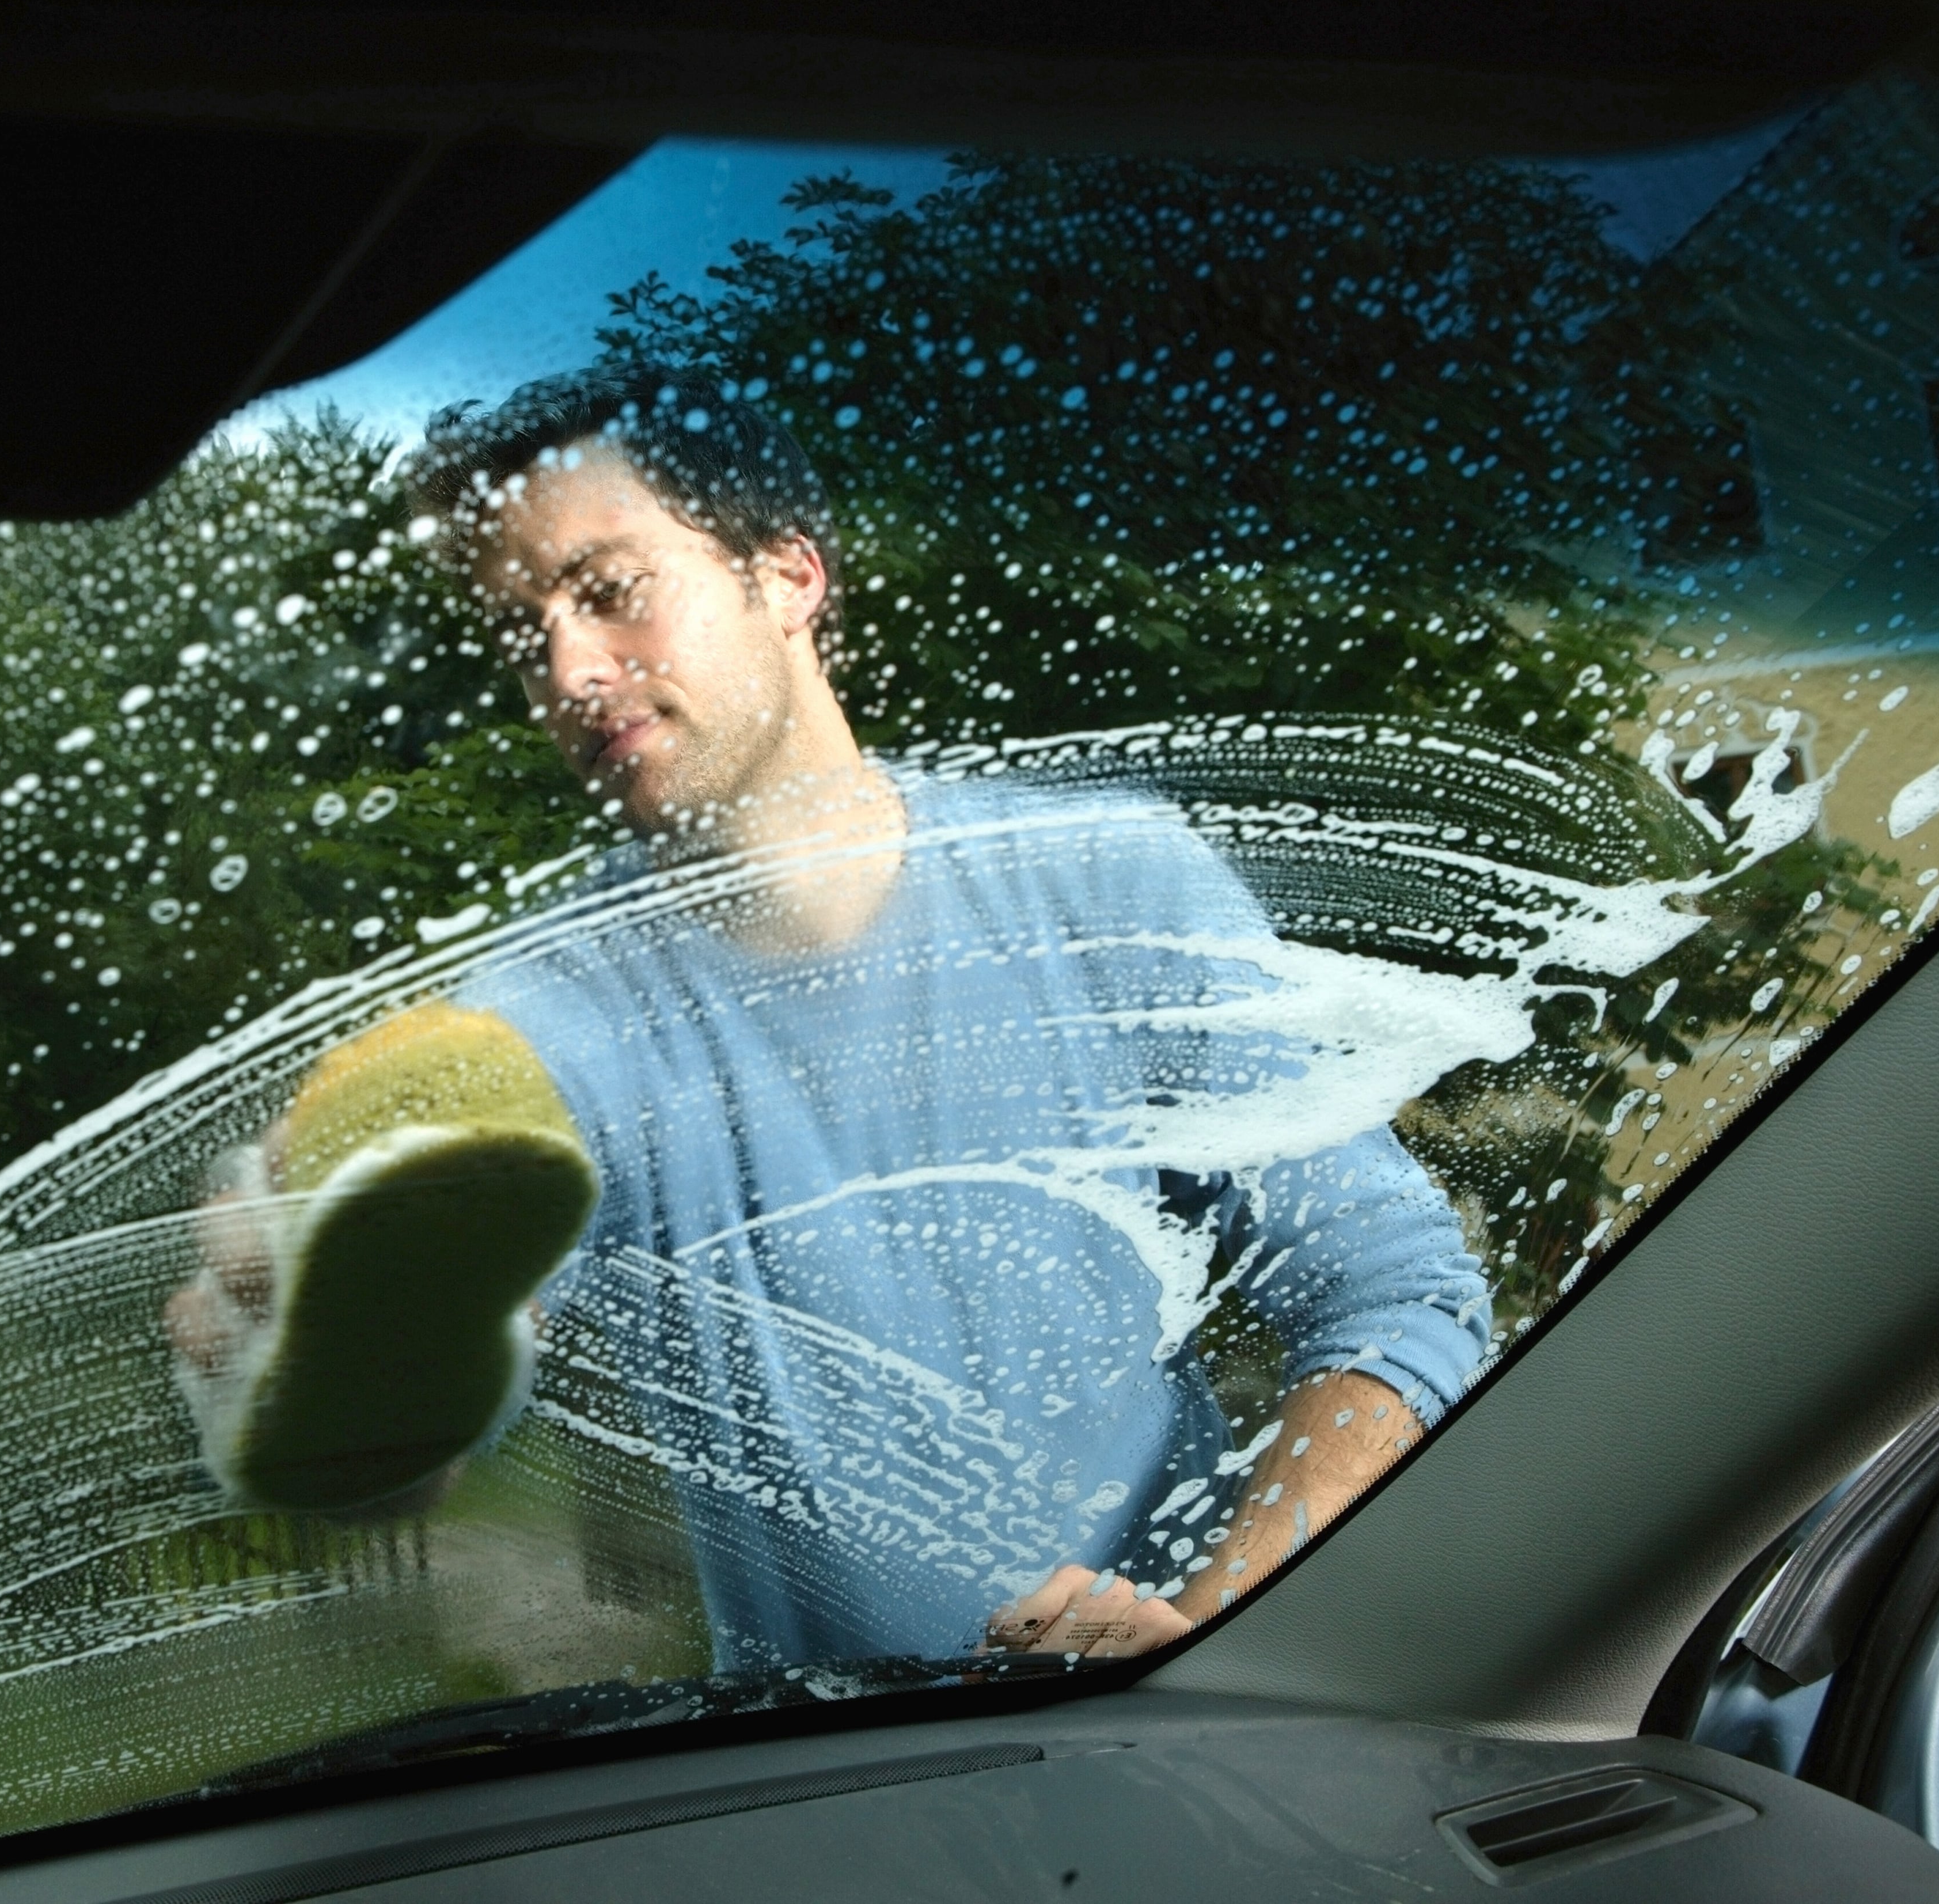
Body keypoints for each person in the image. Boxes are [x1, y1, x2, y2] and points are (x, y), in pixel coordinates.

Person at [168, 361, 1489, 1670]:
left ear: (789, 575)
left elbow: (1395, 1294)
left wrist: (1201, 1631)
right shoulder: (537, 1024)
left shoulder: (1111, 884)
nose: (567, 671)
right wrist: (329, 1384)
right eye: (527, 635)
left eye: (610, 591)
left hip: (1184, 1728)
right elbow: (439, 1409)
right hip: (823, 1769)